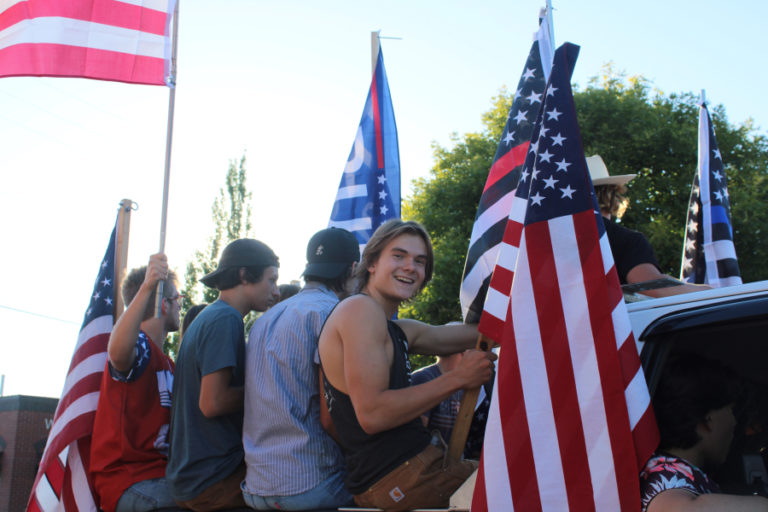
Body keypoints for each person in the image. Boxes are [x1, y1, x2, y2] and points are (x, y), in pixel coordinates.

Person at [318, 219, 496, 511]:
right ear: (372, 263)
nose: (410, 267)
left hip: (407, 474)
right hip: (400, 479)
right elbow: (373, 414)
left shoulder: (396, 328)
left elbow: (474, 334)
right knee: (525, 484)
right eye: (398, 256)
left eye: (420, 260)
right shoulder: (360, 311)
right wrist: (459, 378)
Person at [242, 227, 360, 510]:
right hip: (310, 485)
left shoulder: (263, 321)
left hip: (257, 487)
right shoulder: (333, 314)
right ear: (353, 268)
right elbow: (331, 418)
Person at [166, 239, 280, 511]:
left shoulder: (211, 316)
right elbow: (212, 402)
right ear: (244, 275)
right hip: (214, 480)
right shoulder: (225, 319)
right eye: (271, 280)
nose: (276, 292)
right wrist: (269, 386)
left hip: (193, 477)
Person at [89, 254, 180, 512]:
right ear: (164, 304)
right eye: (177, 300)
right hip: (132, 480)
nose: (180, 307)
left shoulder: (168, 364)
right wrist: (148, 285)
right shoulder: (140, 346)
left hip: (161, 477)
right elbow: (118, 353)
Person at [640, 354, 768, 511]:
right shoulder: (663, 474)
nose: (734, 422)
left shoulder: (672, 471)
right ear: (708, 420)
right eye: (730, 410)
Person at [586, 155, 709, 297]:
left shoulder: (559, 239)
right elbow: (649, 284)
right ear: (611, 194)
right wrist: (709, 292)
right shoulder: (624, 240)